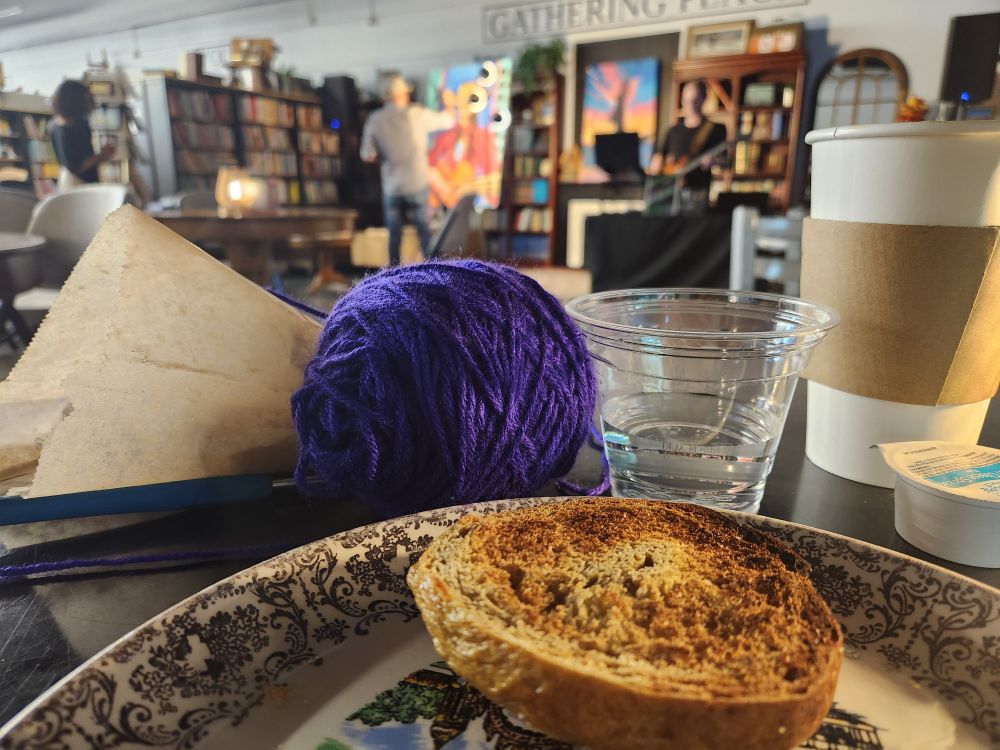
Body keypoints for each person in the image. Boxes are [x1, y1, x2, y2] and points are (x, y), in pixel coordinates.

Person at [361, 75, 455, 265]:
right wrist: (449, 105)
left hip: (392, 187)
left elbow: (366, 154)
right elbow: (448, 121)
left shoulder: (375, 119)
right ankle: (435, 271)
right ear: (402, 94)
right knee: (424, 232)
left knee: (394, 235)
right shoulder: (415, 114)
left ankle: (393, 275)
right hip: (416, 183)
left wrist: (381, 155)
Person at [648, 80, 727, 191]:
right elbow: (659, 157)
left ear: (704, 99)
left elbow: (726, 162)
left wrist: (714, 161)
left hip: (699, 191)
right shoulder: (673, 131)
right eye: (686, 101)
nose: (690, 106)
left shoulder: (715, 129)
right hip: (673, 190)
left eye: (695, 100)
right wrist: (657, 168)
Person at [50, 80, 114, 190]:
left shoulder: (58, 124)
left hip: (77, 182)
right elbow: (74, 166)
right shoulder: (66, 128)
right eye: (85, 99)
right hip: (78, 184)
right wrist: (101, 156)